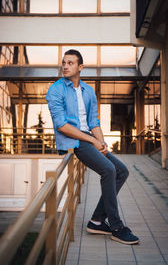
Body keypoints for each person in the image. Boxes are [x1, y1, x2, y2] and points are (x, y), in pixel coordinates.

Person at [46, 49, 139, 245]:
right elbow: (61, 125)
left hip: (89, 138)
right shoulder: (55, 90)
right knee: (109, 169)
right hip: (75, 141)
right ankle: (116, 226)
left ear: (80, 67)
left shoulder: (88, 91)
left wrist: (102, 143)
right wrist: (92, 141)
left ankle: (97, 221)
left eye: (70, 63)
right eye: (63, 62)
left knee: (122, 171)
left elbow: (94, 121)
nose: (65, 66)